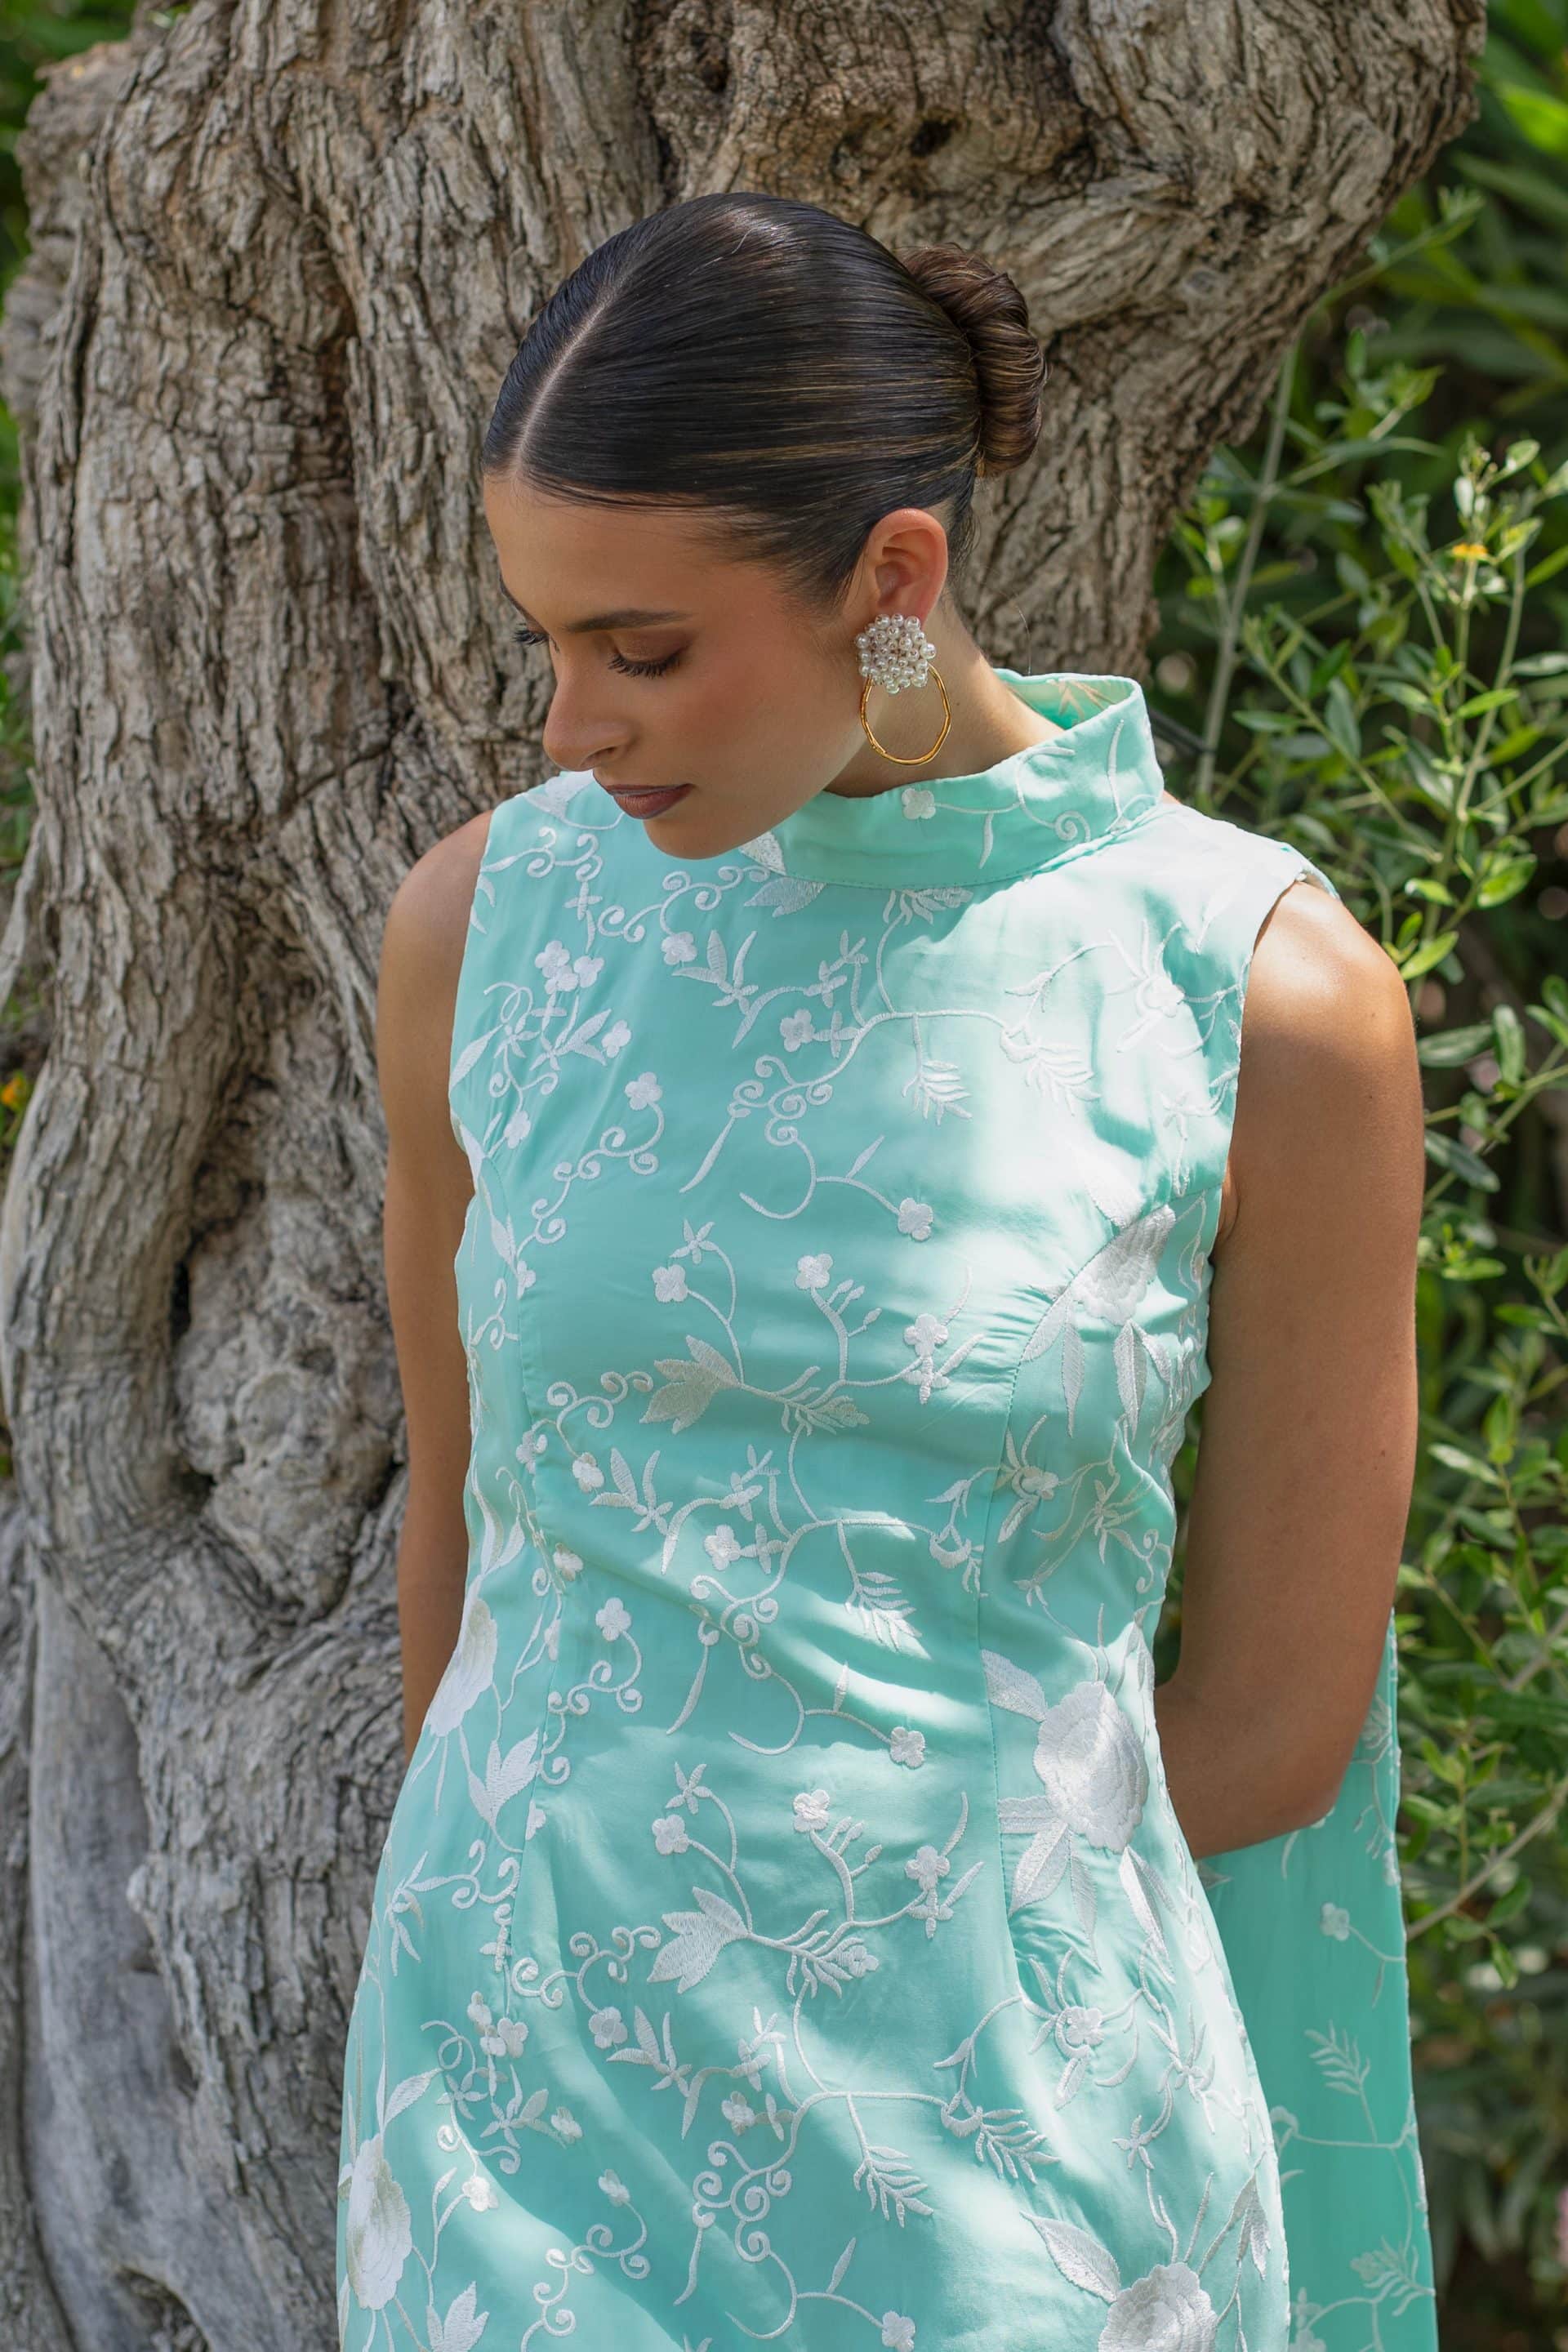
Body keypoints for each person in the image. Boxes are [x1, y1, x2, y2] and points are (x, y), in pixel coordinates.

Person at [337, 190, 1433, 2352]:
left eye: (644, 649)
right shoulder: (493, 928)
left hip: (1006, 2149)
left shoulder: (1256, 992)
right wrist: (536, 1923)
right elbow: (463, 1551)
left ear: (894, 579)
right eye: (546, 641)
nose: (571, 727)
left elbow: (1276, 1722)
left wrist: (864, 1924)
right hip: (519, 2128)